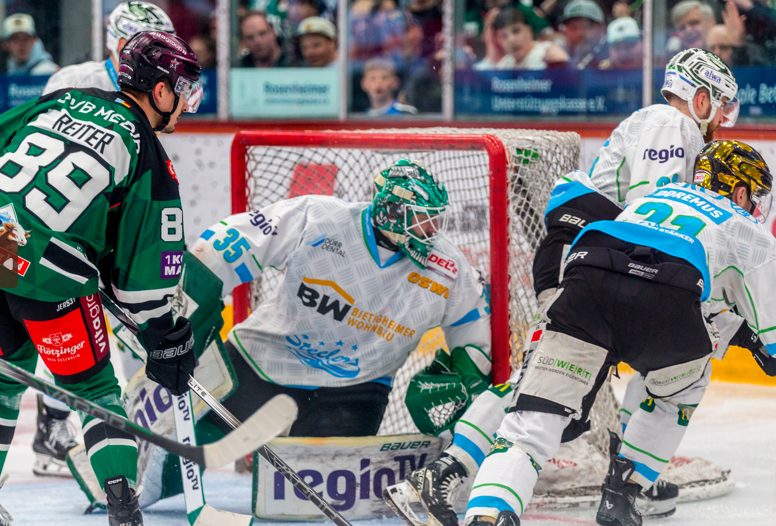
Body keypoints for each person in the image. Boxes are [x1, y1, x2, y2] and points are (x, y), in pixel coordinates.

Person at [384, 48, 741, 526]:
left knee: (585, 379)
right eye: (720, 107)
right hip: (593, 258)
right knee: (545, 384)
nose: (721, 122)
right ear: (700, 98)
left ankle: (636, 475)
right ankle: (445, 471)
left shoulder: (667, 127)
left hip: (600, 258)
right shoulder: (669, 123)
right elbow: (651, 225)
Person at [463, 138, 774, 526]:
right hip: (665, 308)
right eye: (755, 195)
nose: (757, 205)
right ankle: (620, 495)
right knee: (677, 393)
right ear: (739, 190)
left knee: (531, 423)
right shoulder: (749, 231)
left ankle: (486, 514)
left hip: (584, 284)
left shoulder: (658, 194)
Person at [0, 31, 201, 526]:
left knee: (8, 374)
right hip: (47, 278)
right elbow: (144, 276)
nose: (187, 103)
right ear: (159, 92)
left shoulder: (62, 100)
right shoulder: (151, 156)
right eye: (182, 88)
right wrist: (163, 334)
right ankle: (121, 503)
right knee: (92, 387)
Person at [35, 0, 177, 480]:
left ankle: (67, 429)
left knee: (67, 333)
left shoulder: (149, 89)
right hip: (63, 230)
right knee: (73, 346)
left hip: (69, 229)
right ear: (116, 41)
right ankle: (53, 429)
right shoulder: (74, 80)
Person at [495, 7, 568, 70]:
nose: (512, 40)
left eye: (516, 31)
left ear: (529, 31)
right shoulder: (504, 65)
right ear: (499, 40)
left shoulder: (548, 53)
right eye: (504, 36)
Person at [557, 0, 607, 69]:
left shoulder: (613, 58)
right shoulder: (557, 57)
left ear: (602, 30)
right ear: (565, 31)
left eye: (587, 27)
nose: (580, 33)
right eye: (573, 27)